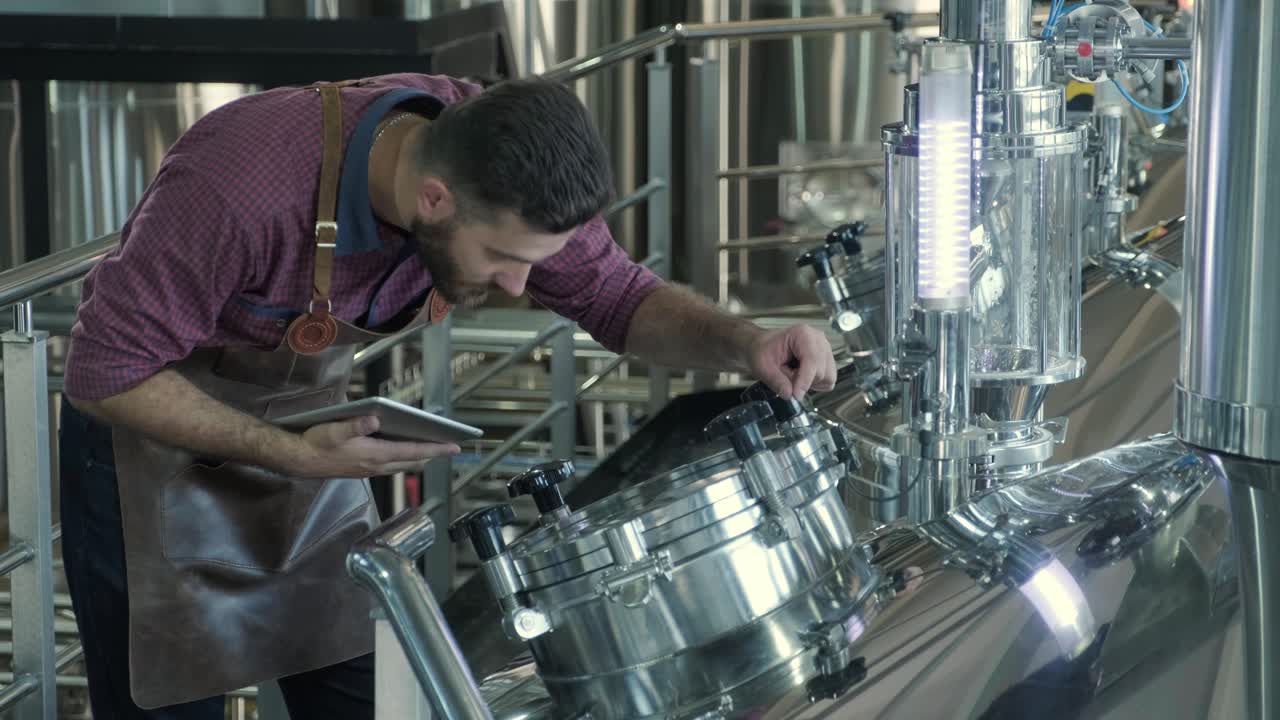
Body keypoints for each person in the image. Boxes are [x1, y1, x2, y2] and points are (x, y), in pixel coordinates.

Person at [58, 72, 836, 718]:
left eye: (535, 261)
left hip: (310, 452)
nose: (520, 286)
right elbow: (105, 370)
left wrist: (748, 341)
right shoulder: (238, 185)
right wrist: (284, 451)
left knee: (368, 700)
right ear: (433, 200)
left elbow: (617, 299)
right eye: (501, 257)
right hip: (148, 457)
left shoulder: (502, 162)